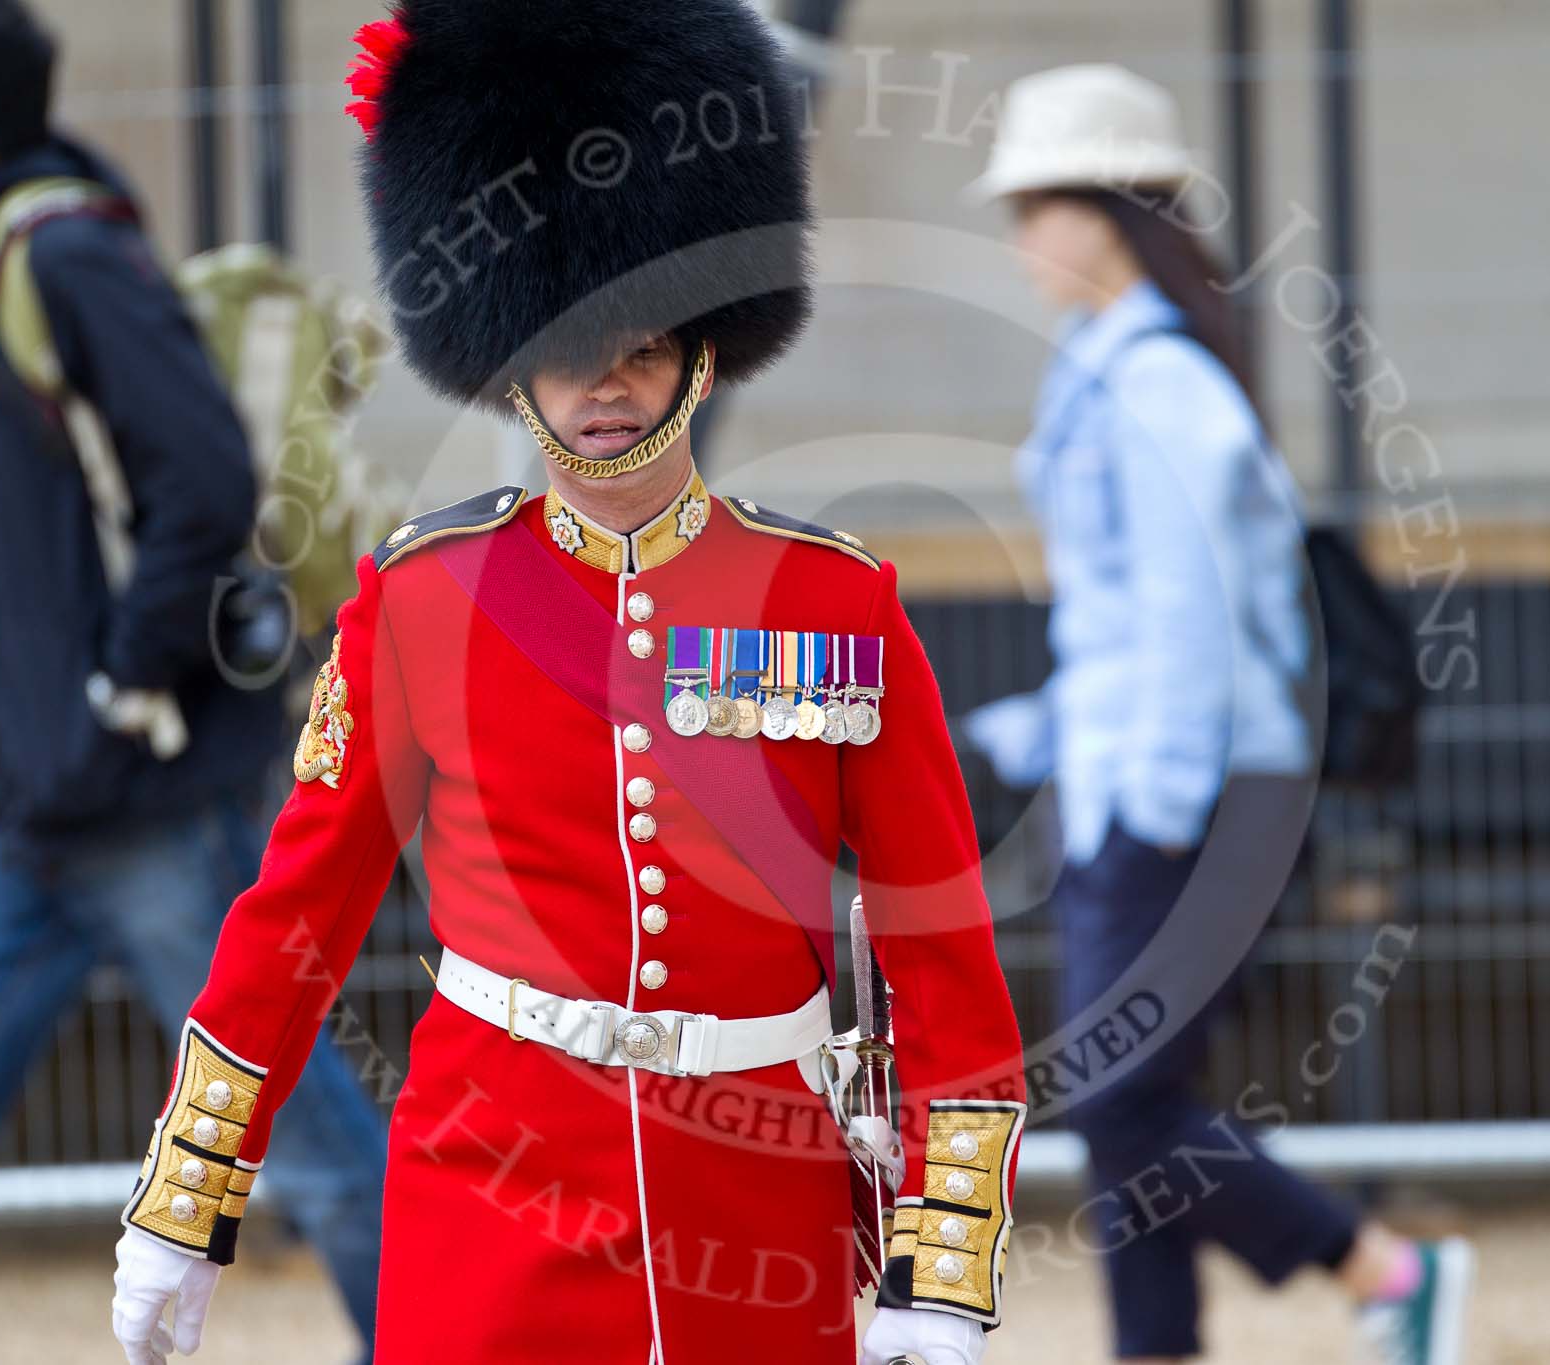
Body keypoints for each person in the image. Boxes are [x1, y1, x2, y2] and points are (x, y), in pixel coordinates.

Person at [107, 3, 1028, 1363]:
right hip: (491, 1202)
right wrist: (189, 1194)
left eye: (641, 341)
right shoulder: (423, 600)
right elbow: (299, 914)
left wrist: (941, 1261)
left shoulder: (834, 604)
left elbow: (937, 945)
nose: (605, 383)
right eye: (565, 344)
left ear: (702, 346)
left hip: (754, 1218)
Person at [0, 2, 388, 1360]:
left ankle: (438, 1341)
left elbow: (205, 486)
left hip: (149, 799)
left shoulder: (65, 257)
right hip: (19, 806)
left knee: (293, 1125)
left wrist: (121, 691)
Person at [962, 65, 1474, 1365]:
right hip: (1148, 782)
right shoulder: (1119, 372)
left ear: (1107, 212)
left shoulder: (1159, 387)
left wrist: (1150, 808)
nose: (1021, 239)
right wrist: (1037, 736)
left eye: (1036, 207)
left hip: (1180, 793)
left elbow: (1191, 624)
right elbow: (1130, 621)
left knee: (1120, 1098)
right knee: (1134, 1099)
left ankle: (1384, 1269)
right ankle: (1160, 1348)